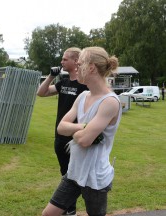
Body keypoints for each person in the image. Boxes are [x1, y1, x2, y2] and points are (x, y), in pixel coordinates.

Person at [42, 47, 122, 216]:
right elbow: (60, 127)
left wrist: (78, 132)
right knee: (48, 214)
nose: (76, 68)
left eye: (79, 64)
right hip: (74, 171)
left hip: (95, 178)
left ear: (91, 67)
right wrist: (83, 127)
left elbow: (84, 141)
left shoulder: (110, 102)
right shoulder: (82, 96)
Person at [37, 47, 88, 215]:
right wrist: (51, 76)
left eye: (65, 59)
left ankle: (71, 209)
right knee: (65, 172)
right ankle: (69, 208)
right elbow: (41, 93)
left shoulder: (84, 85)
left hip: (75, 137)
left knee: (73, 175)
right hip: (60, 136)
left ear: (75, 61)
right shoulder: (63, 82)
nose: (61, 62)